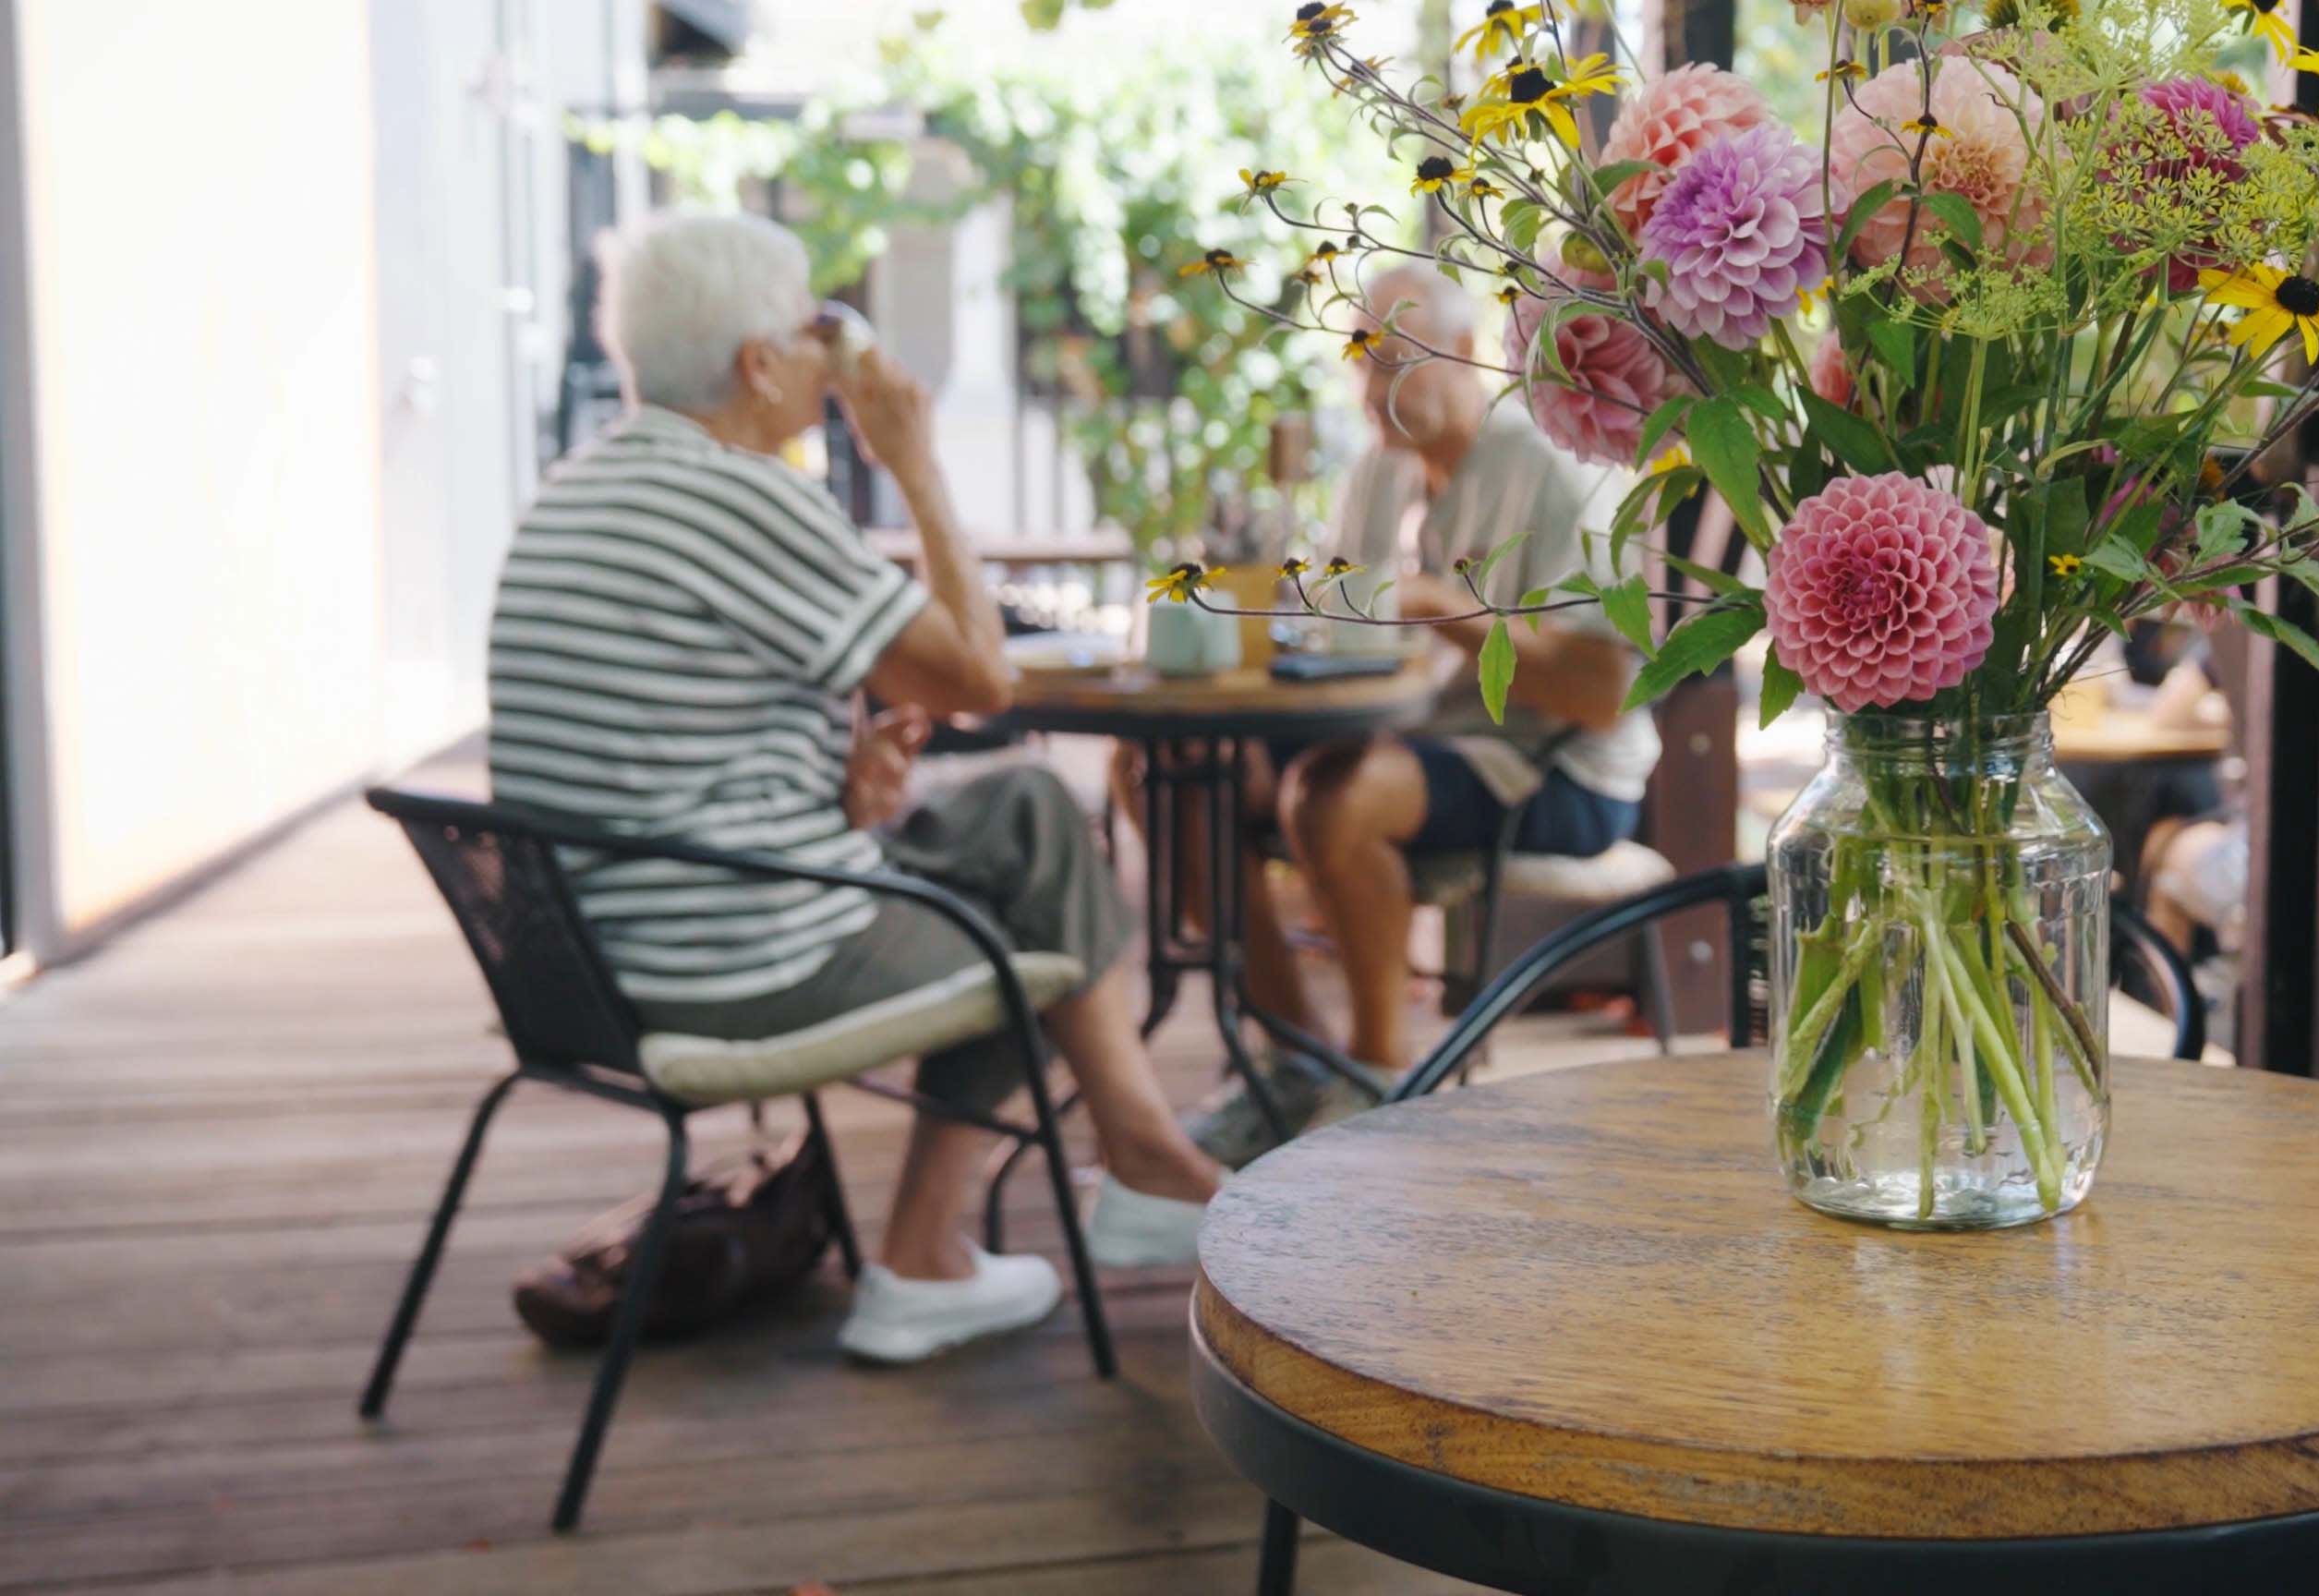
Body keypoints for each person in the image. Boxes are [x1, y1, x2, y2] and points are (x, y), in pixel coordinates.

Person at [488, 212, 1226, 1365]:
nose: (836, 358)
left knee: (1020, 823)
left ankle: (1115, 1173)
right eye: (817, 329)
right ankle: (1040, 1208)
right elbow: (982, 680)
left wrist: (839, 786)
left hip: (591, 964)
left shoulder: (577, 495)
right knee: (1029, 876)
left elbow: (655, 753)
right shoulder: (738, 496)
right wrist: (916, 462)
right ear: (758, 366)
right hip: (732, 967)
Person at [1138, 263, 1658, 1163]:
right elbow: (1336, 621)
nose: (1372, 388)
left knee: (1331, 799)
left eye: (1393, 362)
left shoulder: (1552, 469)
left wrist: (1441, 612)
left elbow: (1605, 692)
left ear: (1462, 353)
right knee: (1173, 769)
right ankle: (1291, 1055)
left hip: (1560, 766)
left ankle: (1383, 1077)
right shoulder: (1378, 473)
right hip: (1403, 739)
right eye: (1362, 363)